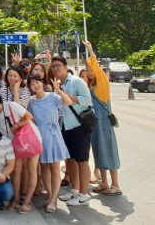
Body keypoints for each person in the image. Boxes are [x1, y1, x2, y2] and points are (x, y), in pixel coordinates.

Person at [0, 89, 41, 213]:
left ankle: (27, 201)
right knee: (16, 170)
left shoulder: (11, 105)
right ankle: (15, 198)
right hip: (16, 144)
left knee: (32, 170)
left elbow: (29, 116)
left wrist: (17, 126)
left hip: (30, 138)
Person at [51, 55, 93, 206]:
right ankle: (74, 191)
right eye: (53, 66)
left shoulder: (76, 81)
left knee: (82, 161)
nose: (55, 69)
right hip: (64, 127)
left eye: (58, 66)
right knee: (70, 160)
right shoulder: (56, 83)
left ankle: (83, 194)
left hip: (79, 126)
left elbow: (87, 100)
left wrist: (66, 95)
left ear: (65, 66)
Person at [83, 41, 122, 195]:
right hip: (95, 125)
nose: (90, 72)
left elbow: (97, 69)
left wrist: (90, 50)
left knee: (109, 151)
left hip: (104, 125)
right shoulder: (90, 86)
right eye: (87, 70)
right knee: (98, 152)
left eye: (92, 69)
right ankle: (104, 182)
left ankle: (116, 185)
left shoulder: (102, 83)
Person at [29, 75, 71, 213]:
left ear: (42, 83)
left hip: (53, 134)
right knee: (44, 167)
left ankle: (54, 198)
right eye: (32, 84)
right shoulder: (31, 101)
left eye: (37, 82)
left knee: (54, 167)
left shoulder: (52, 96)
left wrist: (58, 90)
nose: (36, 85)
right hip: (39, 135)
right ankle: (49, 194)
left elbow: (68, 102)